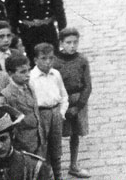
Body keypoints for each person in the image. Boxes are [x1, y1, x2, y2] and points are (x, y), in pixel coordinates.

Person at [53, 27, 92, 179]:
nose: (72, 46)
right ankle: (55, 169)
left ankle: (73, 165)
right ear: (61, 43)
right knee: (56, 134)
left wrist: (78, 106)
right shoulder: (55, 62)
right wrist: (63, 105)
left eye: (75, 42)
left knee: (75, 134)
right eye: (68, 42)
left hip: (77, 100)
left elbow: (88, 85)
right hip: (61, 101)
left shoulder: (82, 60)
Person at [30, 43, 67, 180]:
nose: (48, 62)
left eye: (51, 58)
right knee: (43, 149)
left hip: (55, 112)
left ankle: (58, 176)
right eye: (44, 58)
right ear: (35, 60)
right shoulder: (31, 78)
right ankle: (47, 176)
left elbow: (64, 95)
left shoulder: (55, 74)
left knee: (56, 148)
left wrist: (61, 112)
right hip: (41, 114)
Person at [1, 53, 44, 156]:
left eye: (29, 70)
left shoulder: (29, 87)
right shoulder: (7, 95)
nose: (28, 74)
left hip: (38, 140)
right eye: (23, 72)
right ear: (11, 73)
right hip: (22, 145)